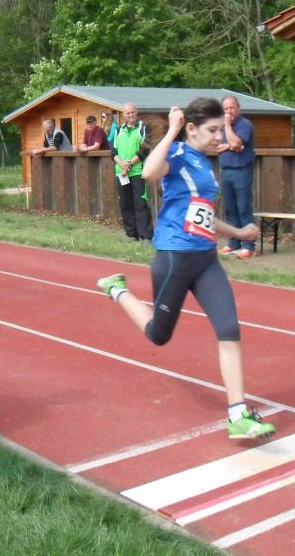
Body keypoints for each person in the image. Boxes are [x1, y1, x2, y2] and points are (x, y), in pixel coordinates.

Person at [96, 98, 276, 440]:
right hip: (174, 258)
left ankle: (238, 414)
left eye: (221, 129)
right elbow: (148, 173)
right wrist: (173, 131)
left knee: (229, 328)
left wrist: (239, 233)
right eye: (212, 130)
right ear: (191, 129)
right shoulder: (176, 153)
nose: (218, 136)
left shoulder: (205, 164)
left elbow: (205, 215)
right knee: (158, 335)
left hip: (205, 259)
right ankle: (117, 289)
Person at [217, 96, 257, 259]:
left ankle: (248, 246)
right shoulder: (220, 127)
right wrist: (231, 145)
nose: (229, 112)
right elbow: (216, 147)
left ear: (238, 108)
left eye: (231, 108)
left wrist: (227, 126)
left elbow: (236, 143)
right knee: (230, 209)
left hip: (242, 171)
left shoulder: (245, 125)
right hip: (225, 170)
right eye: (225, 109)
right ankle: (233, 243)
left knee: (243, 209)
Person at [111, 102, 153, 242]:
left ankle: (146, 236)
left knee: (141, 203)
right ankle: (131, 234)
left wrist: (129, 164)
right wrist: (121, 164)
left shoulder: (143, 128)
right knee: (125, 204)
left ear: (137, 112)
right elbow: (113, 152)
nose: (130, 115)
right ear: (124, 114)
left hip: (138, 172)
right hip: (121, 173)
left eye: (132, 112)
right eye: (127, 113)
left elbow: (144, 149)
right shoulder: (118, 130)